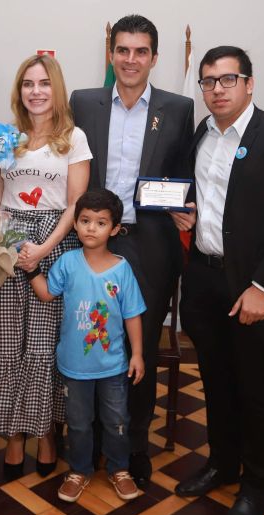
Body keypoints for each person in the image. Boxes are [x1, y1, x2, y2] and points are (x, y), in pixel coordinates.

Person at [171, 46, 264, 515]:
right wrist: (191, 216)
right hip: (207, 279)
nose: (216, 89)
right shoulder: (203, 134)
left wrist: (262, 285)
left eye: (227, 79)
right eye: (209, 81)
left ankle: (257, 485)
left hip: (256, 287)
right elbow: (218, 205)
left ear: (250, 84)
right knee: (216, 381)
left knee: (258, 390)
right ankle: (223, 464)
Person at [69, 14, 194, 487]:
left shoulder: (179, 108)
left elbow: (186, 173)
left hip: (150, 245)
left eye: (141, 51)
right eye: (122, 50)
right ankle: (93, 441)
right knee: (92, 340)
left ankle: (134, 445)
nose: (130, 59)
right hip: (91, 242)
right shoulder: (83, 102)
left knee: (139, 348)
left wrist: (190, 205)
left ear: (154, 58)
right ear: (111, 54)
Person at [0, 54, 90, 479]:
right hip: (7, 247)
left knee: (43, 345)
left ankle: (46, 433)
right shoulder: (4, 139)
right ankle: (14, 435)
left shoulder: (74, 138)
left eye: (43, 83)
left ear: (56, 88)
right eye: (27, 84)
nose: (35, 91)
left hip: (54, 244)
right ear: (19, 91)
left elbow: (75, 205)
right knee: (7, 342)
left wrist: (42, 250)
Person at [27, 189, 145, 503]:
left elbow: (133, 315)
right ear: (76, 225)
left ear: (115, 229)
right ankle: (78, 470)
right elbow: (47, 294)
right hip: (74, 366)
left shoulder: (122, 269)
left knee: (117, 421)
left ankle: (120, 469)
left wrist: (138, 355)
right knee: (78, 424)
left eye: (101, 222)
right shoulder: (67, 262)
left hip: (113, 367)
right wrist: (30, 269)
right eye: (85, 220)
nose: (91, 228)